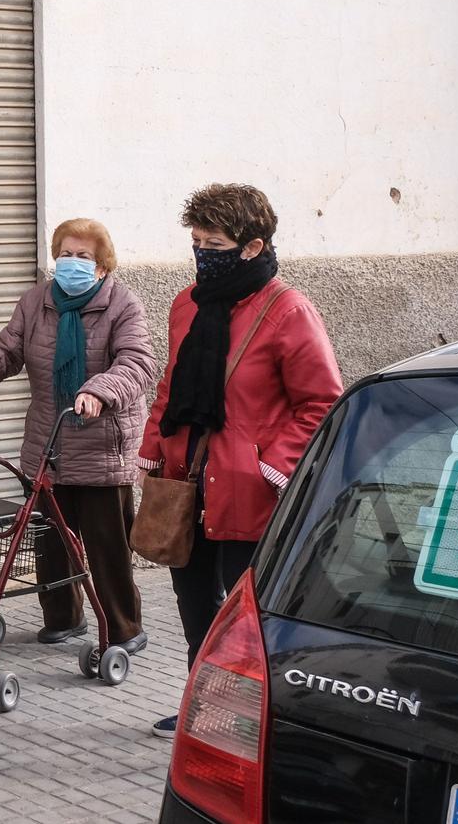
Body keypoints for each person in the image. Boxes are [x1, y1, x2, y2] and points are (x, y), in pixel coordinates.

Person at [138, 183, 341, 738]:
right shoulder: (187, 303)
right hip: (188, 485)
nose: (202, 253)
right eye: (196, 241)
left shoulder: (288, 310)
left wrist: (268, 463)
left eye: (215, 243)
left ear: (251, 247)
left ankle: (259, 716)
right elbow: (170, 386)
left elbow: (322, 400)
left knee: (247, 616)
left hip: (248, 491)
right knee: (194, 610)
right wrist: (154, 446)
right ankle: (201, 707)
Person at [0, 219, 156, 653]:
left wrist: (99, 390)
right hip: (49, 443)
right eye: (66, 253)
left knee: (106, 546)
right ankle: (63, 618)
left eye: (84, 256)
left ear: (101, 266)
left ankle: (123, 629)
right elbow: (6, 349)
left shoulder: (122, 305)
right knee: (49, 540)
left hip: (101, 445)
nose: (72, 262)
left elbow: (138, 363)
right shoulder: (36, 302)